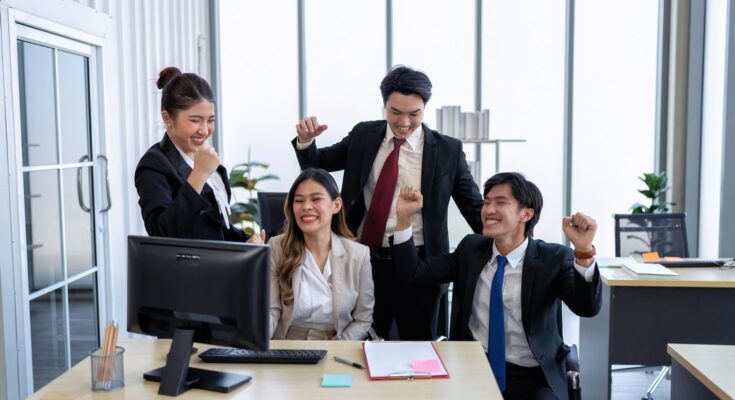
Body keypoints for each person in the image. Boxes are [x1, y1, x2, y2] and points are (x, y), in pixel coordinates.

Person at [291, 65, 483, 340]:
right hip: (363, 262)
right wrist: (305, 141)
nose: (404, 122)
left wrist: (513, 243)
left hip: (419, 266)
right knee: (360, 345)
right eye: (396, 112)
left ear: (425, 108)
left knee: (418, 354)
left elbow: (474, 207)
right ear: (384, 106)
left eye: (414, 114)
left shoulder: (447, 151)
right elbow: (319, 163)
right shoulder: (364, 136)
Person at [391, 172, 601, 400]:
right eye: (487, 202)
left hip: (533, 376)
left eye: (501, 202)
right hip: (472, 368)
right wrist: (403, 218)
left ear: (526, 214)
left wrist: (583, 252)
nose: (489, 210)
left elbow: (586, 307)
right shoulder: (471, 250)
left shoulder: (553, 258)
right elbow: (412, 272)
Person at [135, 66, 264, 243]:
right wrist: (199, 175)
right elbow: (161, 233)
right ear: (168, 118)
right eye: (195, 120)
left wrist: (246, 241)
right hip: (186, 270)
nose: (204, 130)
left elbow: (216, 227)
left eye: (210, 120)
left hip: (217, 266)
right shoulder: (154, 164)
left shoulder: (204, 157)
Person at [269, 168, 374, 340]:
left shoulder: (358, 255)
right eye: (299, 201)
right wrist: (254, 342)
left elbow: (363, 319)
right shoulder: (277, 247)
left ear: (336, 205)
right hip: (287, 344)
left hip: (337, 345)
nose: (306, 207)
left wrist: (337, 347)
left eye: (316, 199)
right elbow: (271, 310)